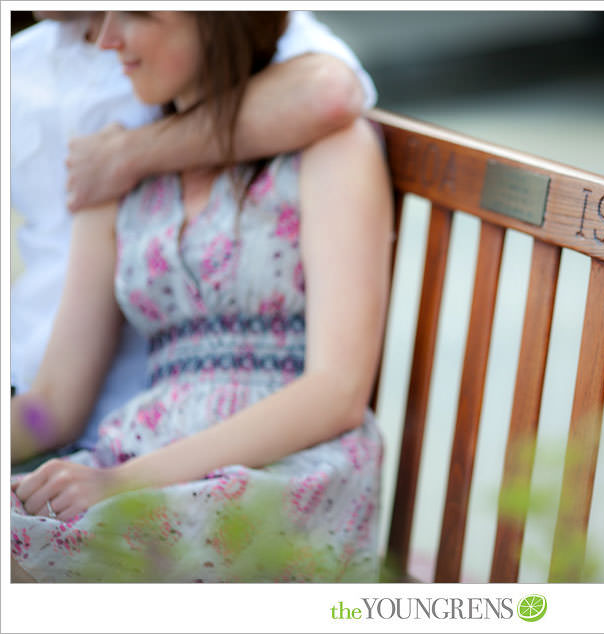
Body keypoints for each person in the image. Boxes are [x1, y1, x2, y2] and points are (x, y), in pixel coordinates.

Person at [11, 11, 392, 582]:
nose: (108, 36)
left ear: (216, 22)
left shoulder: (328, 151)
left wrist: (123, 482)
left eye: (137, 14)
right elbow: (54, 405)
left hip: (283, 468)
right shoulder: (116, 168)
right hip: (138, 458)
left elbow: (336, 391)